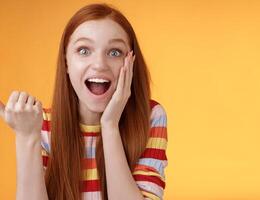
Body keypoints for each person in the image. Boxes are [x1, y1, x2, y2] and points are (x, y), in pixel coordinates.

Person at [0, 3, 168, 200]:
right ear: (66, 62)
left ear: (131, 62)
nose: (99, 64)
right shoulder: (41, 125)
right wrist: (27, 137)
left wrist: (109, 125)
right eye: (83, 50)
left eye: (114, 52)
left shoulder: (150, 117)